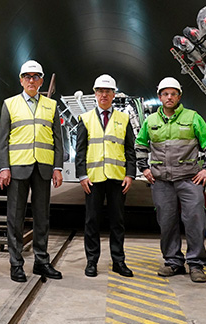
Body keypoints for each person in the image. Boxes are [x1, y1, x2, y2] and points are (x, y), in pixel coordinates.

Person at [135, 77, 206, 283]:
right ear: (159, 96)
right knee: (167, 222)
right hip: (162, 182)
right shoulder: (151, 121)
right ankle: (173, 262)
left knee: (195, 221)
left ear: (179, 96)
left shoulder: (193, 118)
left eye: (173, 93)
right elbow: (140, 146)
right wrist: (144, 169)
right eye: (165, 94)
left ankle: (196, 264)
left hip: (190, 180)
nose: (169, 97)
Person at [0, 60, 63, 283]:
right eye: (27, 76)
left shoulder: (51, 106)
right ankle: (16, 264)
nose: (31, 80)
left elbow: (58, 140)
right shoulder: (9, 104)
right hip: (17, 168)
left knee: (42, 217)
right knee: (15, 218)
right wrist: (4, 167)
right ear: (21, 80)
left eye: (35, 77)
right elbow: (2, 140)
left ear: (42, 80)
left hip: (43, 168)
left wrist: (57, 167)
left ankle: (41, 261)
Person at [75, 75, 136, 279]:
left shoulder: (123, 119)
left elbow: (130, 149)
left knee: (117, 221)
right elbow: (80, 149)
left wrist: (130, 174)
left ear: (114, 95)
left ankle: (118, 261)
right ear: (95, 93)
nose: (104, 94)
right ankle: (92, 261)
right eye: (100, 91)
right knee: (92, 220)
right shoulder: (85, 119)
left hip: (117, 178)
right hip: (93, 179)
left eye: (107, 91)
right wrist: (82, 175)